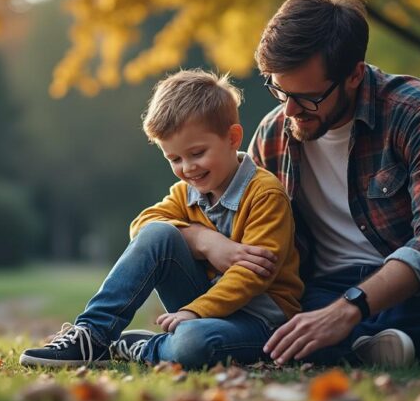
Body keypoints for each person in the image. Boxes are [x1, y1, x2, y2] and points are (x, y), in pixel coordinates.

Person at [184, 0, 420, 367]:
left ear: (353, 75)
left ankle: (354, 341)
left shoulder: (418, 112)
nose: (289, 110)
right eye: (279, 90)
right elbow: (224, 222)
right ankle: (415, 341)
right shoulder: (273, 134)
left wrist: (352, 309)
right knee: (293, 321)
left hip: (415, 287)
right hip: (320, 294)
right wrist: (202, 239)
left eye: (307, 97)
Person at [19, 69, 304, 368]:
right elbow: (142, 227)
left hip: (261, 321)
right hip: (202, 308)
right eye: (175, 159)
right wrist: (205, 241)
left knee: (193, 343)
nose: (188, 168)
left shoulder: (265, 193)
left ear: (232, 137)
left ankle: (144, 347)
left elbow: (254, 275)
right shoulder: (186, 192)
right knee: (159, 233)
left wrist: (194, 313)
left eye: (197, 153)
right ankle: (93, 333)